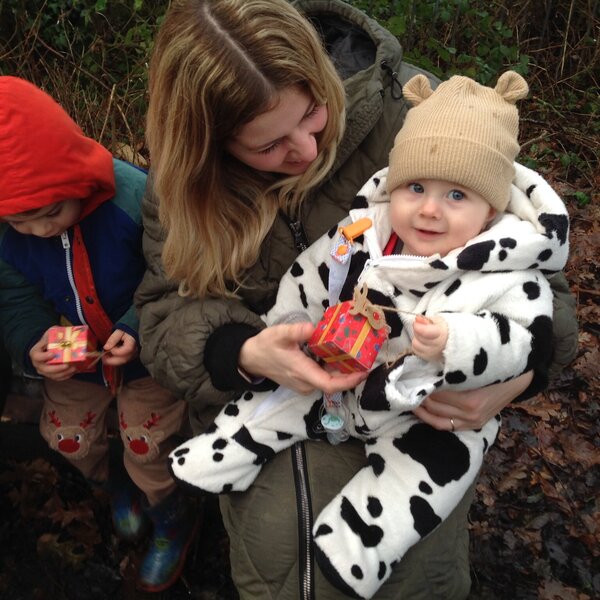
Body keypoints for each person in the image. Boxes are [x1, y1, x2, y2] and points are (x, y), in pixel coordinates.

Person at [135, 1, 579, 598]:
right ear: (210, 146)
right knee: (279, 571)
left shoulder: (424, 113)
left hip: (419, 410)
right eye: (268, 146)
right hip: (267, 404)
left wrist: (517, 379)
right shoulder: (182, 185)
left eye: (313, 113)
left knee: (412, 576)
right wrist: (242, 352)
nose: (306, 150)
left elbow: (537, 278)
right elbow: (166, 313)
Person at [0, 76, 198, 593]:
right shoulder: (10, 230)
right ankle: (115, 484)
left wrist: (137, 327)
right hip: (77, 359)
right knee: (66, 437)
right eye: (22, 223)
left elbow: (173, 271)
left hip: (146, 353)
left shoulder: (132, 198)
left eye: (51, 214)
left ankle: (171, 516)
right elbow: (16, 294)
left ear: (75, 178)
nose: (41, 231)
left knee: (146, 441)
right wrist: (32, 344)